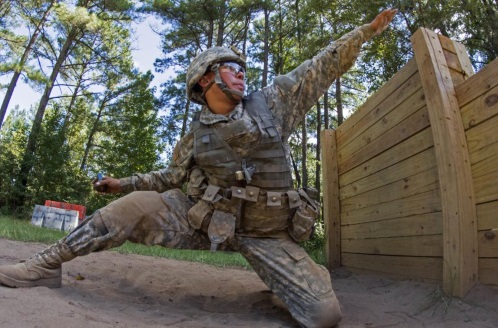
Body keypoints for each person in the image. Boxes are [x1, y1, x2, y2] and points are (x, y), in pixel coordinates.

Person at [0, 9, 397, 328]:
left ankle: (291, 281)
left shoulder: (273, 103)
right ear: (206, 80)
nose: (242, 73)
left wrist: (364, 32)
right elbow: (169, 178)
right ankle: (45, 265)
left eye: (243, 69)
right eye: (231, 67)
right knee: (134, 206)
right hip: (209, 224)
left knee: (324, 316)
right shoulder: (194, 136)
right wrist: (121, 184)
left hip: (267, 234)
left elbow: (321, 66)